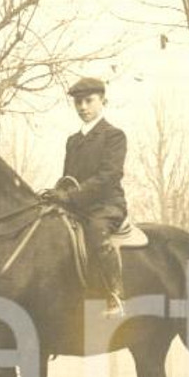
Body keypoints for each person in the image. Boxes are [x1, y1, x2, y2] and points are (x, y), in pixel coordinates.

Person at [42, 75, 130, 314]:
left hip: (106, 206)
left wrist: (70, 197)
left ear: (102, 101)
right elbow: (67, 177)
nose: (83, 107)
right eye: (78, 102)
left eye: (88, 101)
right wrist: (56, 194)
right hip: (76, 206)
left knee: (96, 232)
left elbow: (108, 176)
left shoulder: (113, 136)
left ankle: (115, 294)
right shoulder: (73, 141)